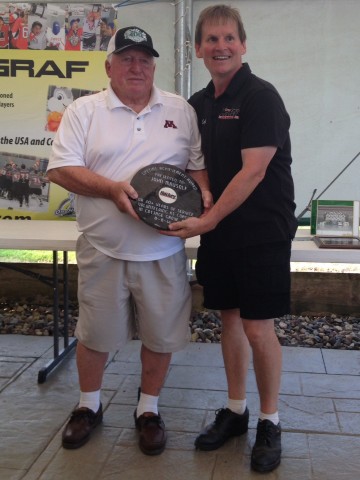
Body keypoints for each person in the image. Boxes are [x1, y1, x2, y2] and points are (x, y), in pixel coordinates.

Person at [46, 26, 211, 455]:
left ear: (154, 65)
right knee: (95, 335)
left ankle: (148, 410)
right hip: (102, 248)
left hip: (163, 251)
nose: (136, 67)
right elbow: (60, 170)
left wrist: (204, 193)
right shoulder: (83, 111)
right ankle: (89, 406)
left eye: (144, 59)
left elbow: (195, 168)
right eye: (126, 59)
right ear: (109, 66)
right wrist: (112, 190)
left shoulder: (180, 110)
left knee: (161, 336)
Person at [162, 5, 297, 473]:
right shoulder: (198, 103)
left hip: (261, 231)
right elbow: (196, 165)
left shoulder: (262, 97)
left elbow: (252, 171)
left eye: (229, 38)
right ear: (198, 49)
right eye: (211, 40)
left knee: (259, 328)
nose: (221, 46)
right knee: (230, 322)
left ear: (243, 44)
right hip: (219, 228)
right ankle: (237, 411)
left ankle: (269, 419)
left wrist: (206, 221)